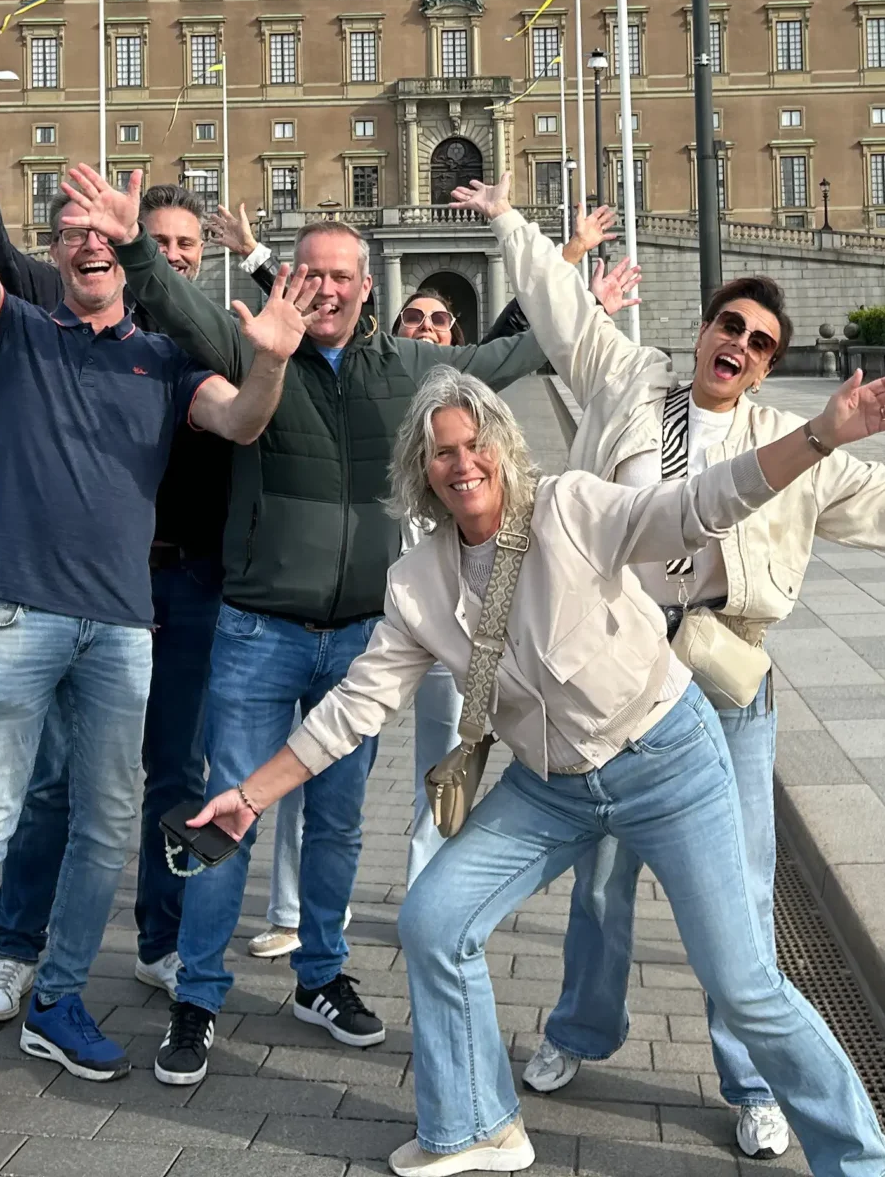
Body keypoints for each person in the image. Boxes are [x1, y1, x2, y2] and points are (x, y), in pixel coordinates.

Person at [450, 178, 885, 1159]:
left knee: (739, 888)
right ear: (702, 332)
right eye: (728, 325)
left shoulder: (789, 445)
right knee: (602, 877)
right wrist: (511, 223)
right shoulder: (629, 384)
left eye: (760, 341)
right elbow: (562, 310)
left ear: (770, 364)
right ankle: (580, 1029)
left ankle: (750, 1081)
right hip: (613, 673)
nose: (738, 343)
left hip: (723, 679)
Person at [188, 365, 885, 1177]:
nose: (462, 464)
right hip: (550, 789)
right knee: (434, 920)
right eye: (442, 452)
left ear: (503, 446)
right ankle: (480, 1126)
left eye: (475, 445)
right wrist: (250, 796)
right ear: (421, 469)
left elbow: (697, 505)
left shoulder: (571, 508)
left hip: (666, 763)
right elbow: (357, 705)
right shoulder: (417, 581)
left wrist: (817, 436)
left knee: (742, 985)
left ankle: (862, 1161)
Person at [53, 161, 548, 1088]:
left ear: (366, 289)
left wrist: (569, 287)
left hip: (361, 638)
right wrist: (132, 246)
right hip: (257, 631)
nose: (325, 287)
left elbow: (508, 359)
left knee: (337, 823)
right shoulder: (250, 346)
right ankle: (199, 994)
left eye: (341, 275)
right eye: (310, 272)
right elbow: (179, 308)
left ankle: (321, 974)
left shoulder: (409, 369)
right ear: (290, 278)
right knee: (228, 813)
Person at [0, 40, 318, 1119]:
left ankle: (57, 998)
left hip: (122, 626)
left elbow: (241, 420)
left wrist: (270, 359)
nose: (90, 244)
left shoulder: (165, 360)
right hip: (17, 612)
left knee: (104, 825)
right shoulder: (17, 334)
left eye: (106, 235)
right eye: (72, 234)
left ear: (127, 260)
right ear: (53, 257)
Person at [250, 243, 649, 944]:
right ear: (393, 327)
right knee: (322, 757)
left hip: (459, 615)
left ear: (455, 338)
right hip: (378, 614)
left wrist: (584, 302)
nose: (426, 326)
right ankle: (291, 912)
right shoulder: (373, 387)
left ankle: (425, 903)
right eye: (414, 317)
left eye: (439, 319)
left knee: (445, 769)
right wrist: (259, 261)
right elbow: (307, 316)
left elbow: (517, 346)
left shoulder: (460, 416)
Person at [0, 171, 265, 1018]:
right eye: (155, 241)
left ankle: (161, 941)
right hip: (81, 586)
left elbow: (274, 395)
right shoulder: (73, 320)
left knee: (176, 777)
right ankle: (17, 945)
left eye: (185, 245)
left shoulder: (209, 339)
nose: (172, 255)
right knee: (50, 780)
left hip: (192, 583)